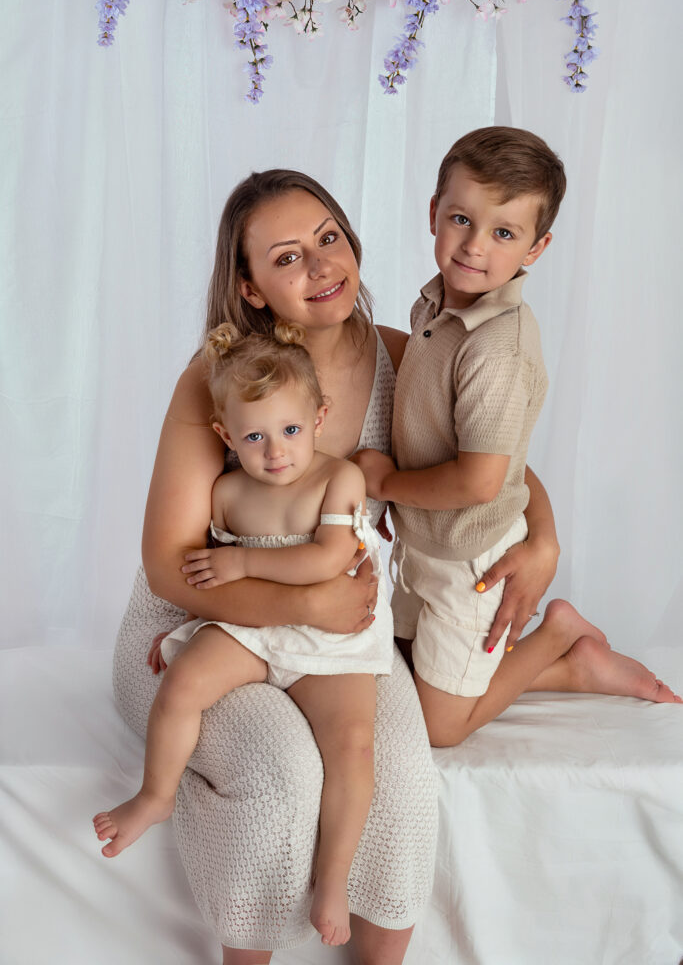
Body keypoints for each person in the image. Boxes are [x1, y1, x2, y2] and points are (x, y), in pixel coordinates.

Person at [111, 167, 560, 964]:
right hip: (200, 627)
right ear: (249, 289)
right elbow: (171, 568)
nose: (320, 265)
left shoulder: (402, 356)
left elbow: (498, 460)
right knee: (284, 778)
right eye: (285, 258)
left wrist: (544, 538)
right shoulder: (218, 382)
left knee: (400, 778)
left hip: (335, 634)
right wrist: (305, 607)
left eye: (327, 239)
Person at [354, 127, 681, 750]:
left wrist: (387, 482)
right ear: (432, 214)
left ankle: (558, 637)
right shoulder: (436, 307)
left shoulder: (496, 346)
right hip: (427, 540)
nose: (475, 246)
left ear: (537, 247)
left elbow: (481, 479)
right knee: (390, 674)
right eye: (461, 219)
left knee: (438, 726)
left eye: (504, 233)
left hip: (472, 556)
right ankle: (562, 666)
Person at [96, 322, 394, 948]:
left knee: (354, 747)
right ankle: (156, 794)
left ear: (320, 417)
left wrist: (245, 562)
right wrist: (188, 629)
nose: (275, 451)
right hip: (253, 628)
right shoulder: (228, 493)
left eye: (289, 430)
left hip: (329, 641)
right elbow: (202, 573)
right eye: (254, 436)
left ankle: (333, 881)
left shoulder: (339, 479)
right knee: (182, 683)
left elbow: (323, 561)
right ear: (225, 435)